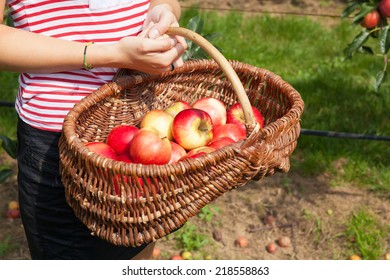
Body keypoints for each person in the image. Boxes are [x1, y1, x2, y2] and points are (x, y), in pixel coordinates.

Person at [0, 0, 187, 260]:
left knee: (137, 244)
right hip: (61, 140)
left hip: (144, 121)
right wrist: (110, 54)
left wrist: (164, 13)